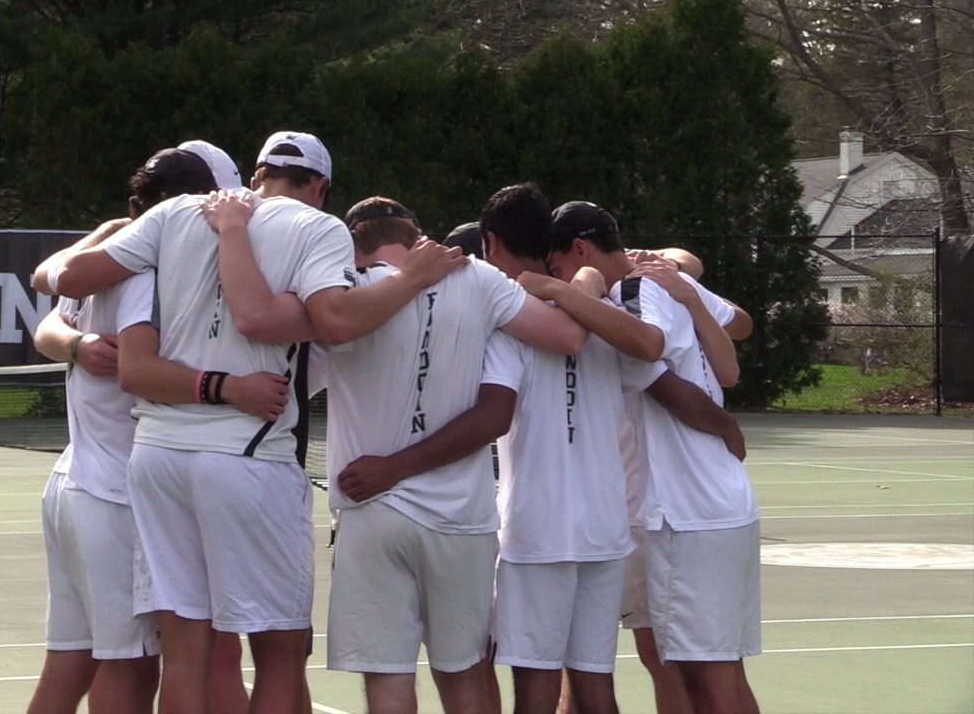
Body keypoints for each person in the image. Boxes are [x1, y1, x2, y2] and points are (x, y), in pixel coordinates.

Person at [46, 131, 468, 714]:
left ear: (256, 174)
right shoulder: (319, 229)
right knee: (278, 650)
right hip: (246, 455)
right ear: (320, 187)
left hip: (158, 456)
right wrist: (411, 278)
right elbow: (334, 321)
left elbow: (67, 279)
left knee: (187, 653)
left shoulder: (174, 213)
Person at [206, 192, 588, 713]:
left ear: (354, 249)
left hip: (371, 511)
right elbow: (567, 336)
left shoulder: (343, 299)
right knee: (464, 676)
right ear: (416, 238)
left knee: (387, 676)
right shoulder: (478, 279)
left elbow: (258, 326)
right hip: (460, 520)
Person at [477, 185, 750, 714]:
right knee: (603, 676)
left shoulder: (520, 319)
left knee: (541, 680)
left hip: (554, 528)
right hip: (610, 527)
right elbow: (684, 371)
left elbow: (492, 412)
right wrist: (723, 425)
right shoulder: (607, 313)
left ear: (493, 244)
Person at [28, 145, 270, 714]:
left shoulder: (111, 251)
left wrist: (75, 341)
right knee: (130, 670)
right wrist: (229, 387)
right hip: (115, 494)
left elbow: (48, 300)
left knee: (71, 662)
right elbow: (139, 371)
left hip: (75, 483)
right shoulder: (146, 270)